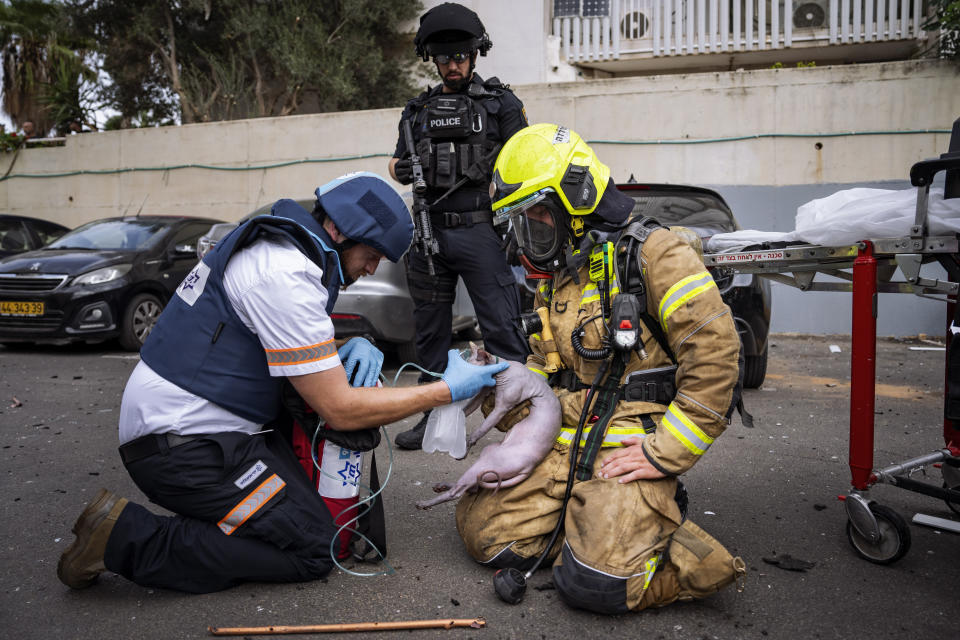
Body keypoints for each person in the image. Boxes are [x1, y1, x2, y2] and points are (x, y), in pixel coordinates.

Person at [56, 172, 508, 594]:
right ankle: (122, 538)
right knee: (316, 548)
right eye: (371, 256)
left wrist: (346, 343)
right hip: (181, 445)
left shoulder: (281, 252)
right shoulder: (283, 274)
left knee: (304, 516)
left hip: (206, 427)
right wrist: (447, 390)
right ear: (341, 233)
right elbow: (340, 409)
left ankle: (232, 520)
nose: (372, 269)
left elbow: (274, 338)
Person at [454, 124, 748, 613]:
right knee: (486, 536)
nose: (529, 234)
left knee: (595, 585)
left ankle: (687, 551)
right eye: (521, 221)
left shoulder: (658, 255)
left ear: (577, 199)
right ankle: (601, 524)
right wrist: (497, 382)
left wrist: (664, 452)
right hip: (570, 442)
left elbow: (716, 358)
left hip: (633, 448)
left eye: (537, 216)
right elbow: (543, 369)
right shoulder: (559, 277)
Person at [389, 2, 530, 450]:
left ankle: (522, 412)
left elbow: (524, 159)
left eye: (460, 56)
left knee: (502, 325)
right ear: (433, 58)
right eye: (444, 57)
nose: (452, 65)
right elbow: (394, 163)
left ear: (475, 54)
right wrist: (404, 170)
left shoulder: (502, 104)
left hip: (479, 230)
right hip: (429, 233)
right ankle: (431, 418)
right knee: (429, 333)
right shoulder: (417, 111)